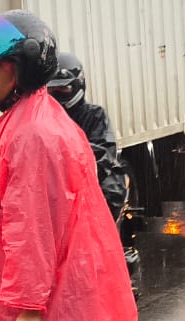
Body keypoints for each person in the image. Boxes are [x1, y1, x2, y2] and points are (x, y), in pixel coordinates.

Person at [0, 11, 139, 321]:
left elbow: (32, 226)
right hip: (58, 297)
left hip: (50, 309)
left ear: (26, 66)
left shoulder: (32, 132)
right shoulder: (32, 118)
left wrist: (28, 307)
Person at [48, 50, 141, 294]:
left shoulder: (94, 115)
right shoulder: (43, 120)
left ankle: (110, 261)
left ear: (78, 85)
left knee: (109, 194)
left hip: (92, 180)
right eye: (52, 91)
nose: (57, 96)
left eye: (62, 90)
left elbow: (103, 151)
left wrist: (81, 161)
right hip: (57, 185)